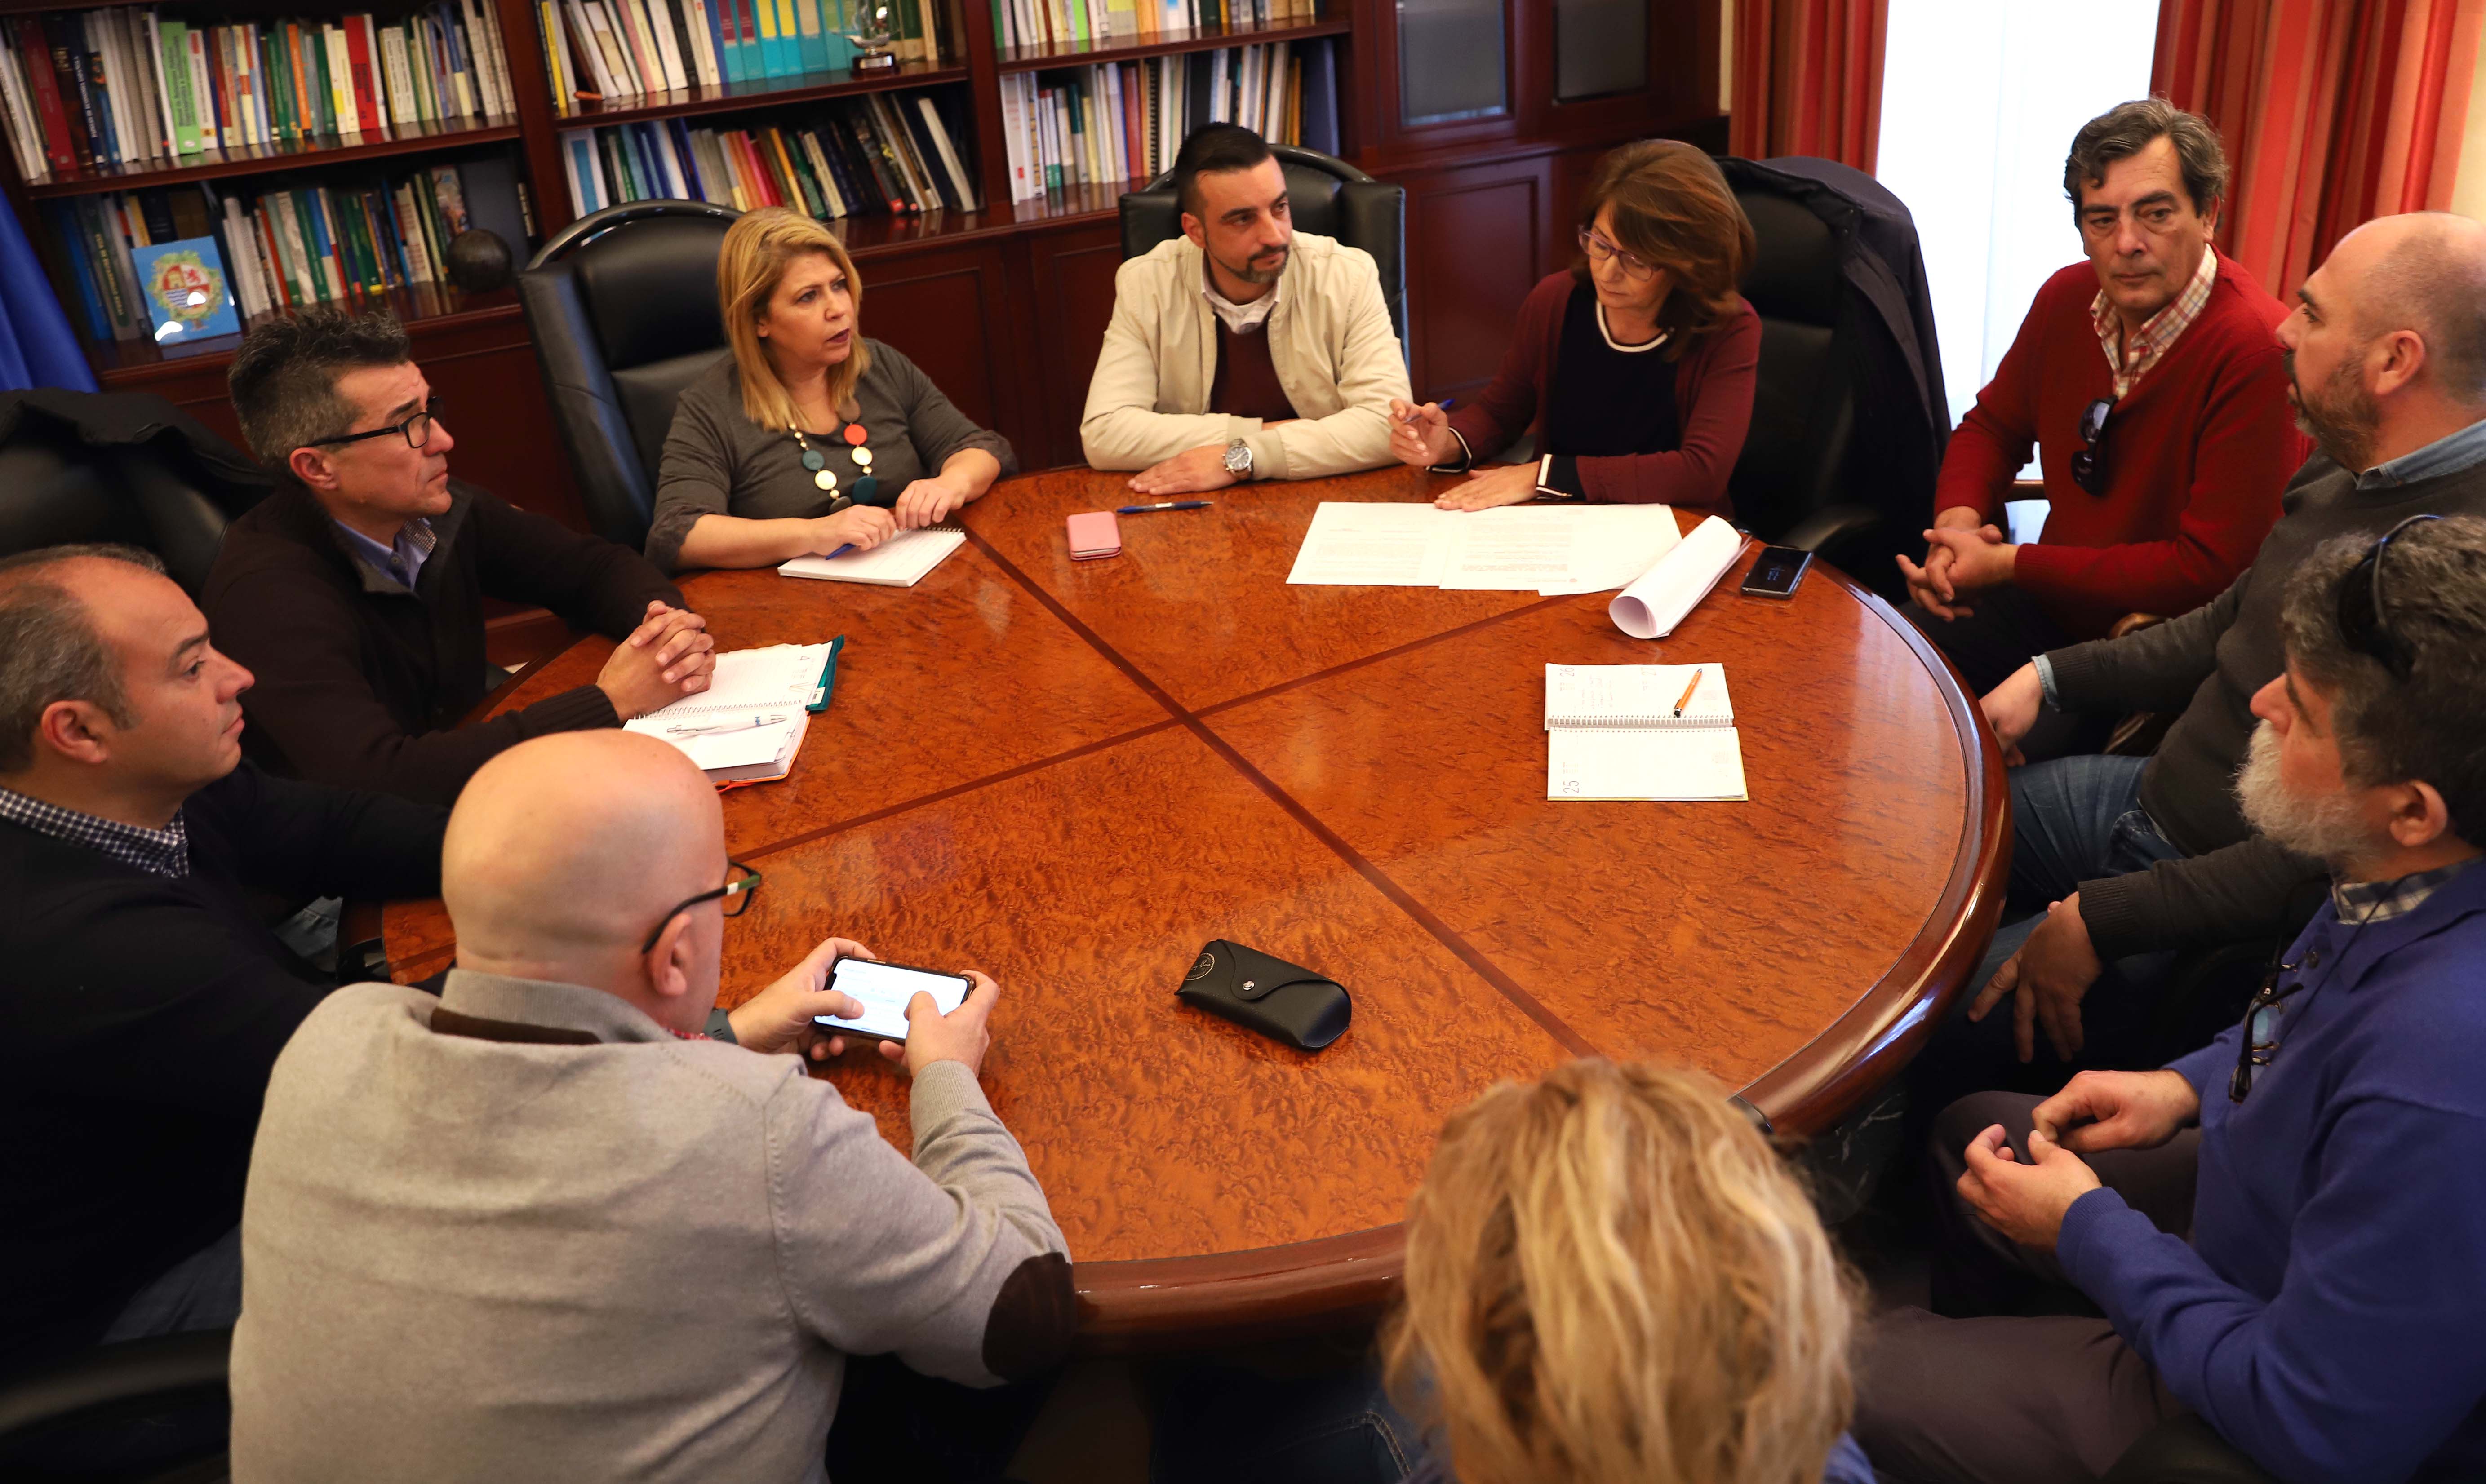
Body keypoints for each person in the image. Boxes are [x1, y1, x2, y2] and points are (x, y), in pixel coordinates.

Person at [229, 729, 1073, 1482]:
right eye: (723, 893)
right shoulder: (758, 1130)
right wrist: (948, 1078)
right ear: (674, 954)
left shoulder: (326, 1039)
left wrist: (727, 1030)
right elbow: (1022, 1318)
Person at [1857, 514, 2486, 1484]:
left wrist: (2089, 1234)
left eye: (2307, 712)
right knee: (1967, 1134)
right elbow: (2307, 1012)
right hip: (2248, 1223)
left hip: (2232, 1400)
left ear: (2413, 809)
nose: (2264, 703)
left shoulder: (2439, 1083)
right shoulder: (2394, 873)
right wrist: (2187, 1087)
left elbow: (2313, 1422)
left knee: (1818, 1369)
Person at [1900, 210, 2486, 1121]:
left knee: (1910, 1011)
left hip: (2205, 899)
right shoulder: (2350, 464)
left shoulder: (2449, 582)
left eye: (2313, 312)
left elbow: (2338, 855)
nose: (2284, 329)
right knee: (1906, 819)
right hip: (2149, 795)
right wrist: (2056, 677)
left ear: (2394, 361)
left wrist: (2103, 918)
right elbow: (2230, 616)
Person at [0, 545, 444, 1373]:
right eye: (193, 665)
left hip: (243, 1129)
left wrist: (568, 845)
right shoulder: (68, 936)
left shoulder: (142, 779)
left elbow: (333, 829)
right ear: (79, 729)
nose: (238, 676)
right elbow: (399, 1073)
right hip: (127, 1303)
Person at [1899, 100, 2304, 740]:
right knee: (1883, 675)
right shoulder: (2066, 299)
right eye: (2101, 219)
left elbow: (2207, 569)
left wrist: (2011, 564)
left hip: (2147, 649)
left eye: (2156, 213)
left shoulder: (2255, 352)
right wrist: (1956, 530)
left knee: (1972, 769)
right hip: (2049, 604)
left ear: (2209, 213)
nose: (2126, 244)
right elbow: (1992, 427)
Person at [206, 307, 716, 809]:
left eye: (430, 411)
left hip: (483, 793)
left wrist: (666, 635)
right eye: (408, 426)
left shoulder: (430, 510)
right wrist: (609, 702)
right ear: (317, 467)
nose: (444, 440)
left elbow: (592, 568)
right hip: (354, 868)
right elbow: (379, 781)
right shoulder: (267, 596)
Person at [1389, 140, 1760, 517]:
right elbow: (1501, 413)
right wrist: (1446, 442)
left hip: (1677, 531)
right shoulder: (1556, 300)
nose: (1608, 271)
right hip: (1560, 523)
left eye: (1636, 259)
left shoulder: (1727, 328)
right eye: (1600, 243)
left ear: (1688, 261)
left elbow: (1701, 472)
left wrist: (1545, 475)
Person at [648, 207, 1016, 574]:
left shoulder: (878, 365)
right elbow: (678, 533)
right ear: (758, 319)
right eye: (808, 297)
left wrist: (951, 482)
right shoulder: (711, 406)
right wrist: (811, 533)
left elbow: (982, 448)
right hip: (792, 610)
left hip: (916, 577)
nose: (839, 309)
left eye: (839, 285)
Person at [1082, 123, 1411, 492]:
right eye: (1243, 218)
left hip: (1328, 496)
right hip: (1200, 504)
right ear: (1196, 231)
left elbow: (1387, 427)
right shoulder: (1146, 284)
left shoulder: (1347, 275)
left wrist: (1244, 457)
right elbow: (1105, 432)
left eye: (1280, 208)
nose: (1274, 235)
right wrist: (1257, 435)